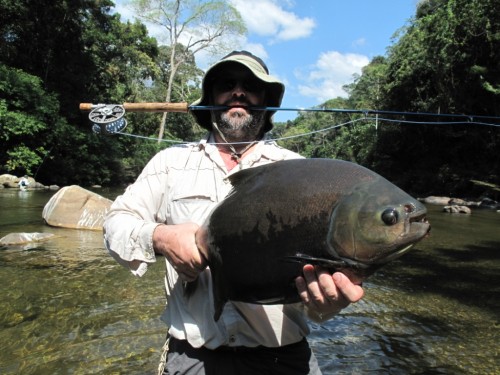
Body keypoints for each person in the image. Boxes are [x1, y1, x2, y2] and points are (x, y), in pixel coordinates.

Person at [103, 51, 364, 375]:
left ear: (265, 100)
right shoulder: (169, 163)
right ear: (211, 96)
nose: (238, 92)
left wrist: (326, 305)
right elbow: (115, 223)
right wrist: (160, 236)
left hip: (284, 360)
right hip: (192, 361)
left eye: (251, 85)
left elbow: (318, 302)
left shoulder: (299, 172)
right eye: (227, 84)